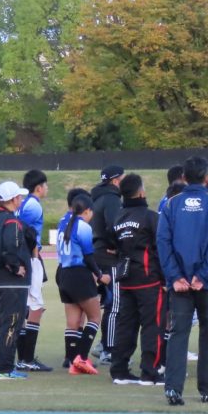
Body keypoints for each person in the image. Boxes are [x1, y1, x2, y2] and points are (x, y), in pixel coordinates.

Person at [156, 156, 208, 405]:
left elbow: (163, 243)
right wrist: (202, 276)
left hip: (180, 282)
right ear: (207, 178)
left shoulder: (171, 204)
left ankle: (173, 389)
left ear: (184, 178)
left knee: (178, 332)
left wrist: (176, 276)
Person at [109, 174, 166, 386]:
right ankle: (150, 372)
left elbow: (112, 246)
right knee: (153, 326)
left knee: (126, 325)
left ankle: (119, 370)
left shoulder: (118, 218)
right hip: (149, 279)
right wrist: (165, 278)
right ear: (141, 192)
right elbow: (161, 249)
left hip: (126, 279)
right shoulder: (151, 217)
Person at [0, 181, 32, 380]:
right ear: (13, 199)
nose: (21, 199)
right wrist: (15, 267)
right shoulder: (12, 222)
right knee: (11, 324)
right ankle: (4, 368)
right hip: (12, 283)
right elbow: (11, 248)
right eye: (19, 197)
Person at [56, 193, 109, 375]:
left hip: (63, 274)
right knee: (94, 317)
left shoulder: (63, 223)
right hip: (79, 275)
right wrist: (100, 275)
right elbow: (88, 257)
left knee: (72, 323)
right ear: (87, 211)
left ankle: (72, 361)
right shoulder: (83, 227)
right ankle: (82, 359)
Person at [15, 169, 53, 373]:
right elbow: (25, 233)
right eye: (45, 185)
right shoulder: (33, 206)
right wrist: (34, 257)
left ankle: (23, 358)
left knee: (26, 307)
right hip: (30, 258)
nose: (47, 189)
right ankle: (27, 359)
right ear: (38, 187)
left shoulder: (23, 203)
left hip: (26, 258)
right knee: (35, 307)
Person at [90, 164, 125, 364]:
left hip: (97, 252)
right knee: (115, 304)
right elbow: (114, 226)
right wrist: (118, 247)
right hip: (108, 255)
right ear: (115, 180)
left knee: (110, 302)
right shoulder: (112, 198)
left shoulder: (96, 197)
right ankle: (109, 350)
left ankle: (104, 345)